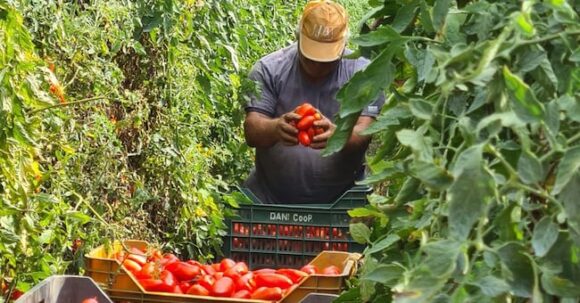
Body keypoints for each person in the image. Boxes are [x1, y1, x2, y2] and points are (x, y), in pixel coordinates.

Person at [242, 0, 384, 204]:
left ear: (343, 44)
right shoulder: (269, 69)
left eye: (325, 60)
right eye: (310, 57)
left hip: (342, 201)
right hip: (269, 199)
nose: (317, 66)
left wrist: (339, 136)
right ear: (298, 38)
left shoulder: (364, 75)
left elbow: (365, 131)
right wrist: (275, 128)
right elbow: (252, 128)